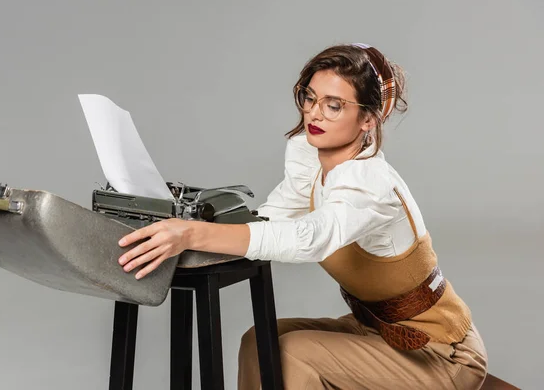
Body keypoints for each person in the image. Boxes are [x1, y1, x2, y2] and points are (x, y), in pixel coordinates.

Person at [116, 43, 488, 389]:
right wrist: (183, 222)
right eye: (309, 97)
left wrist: (192, 235)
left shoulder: (369, 181)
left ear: (368, 121)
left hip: (440, 350)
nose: (313, 112)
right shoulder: (310, 160)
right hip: (375, 330)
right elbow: (270, 222)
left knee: (294, 353)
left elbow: (308, 238)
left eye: (334, 105)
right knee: (258, 341)